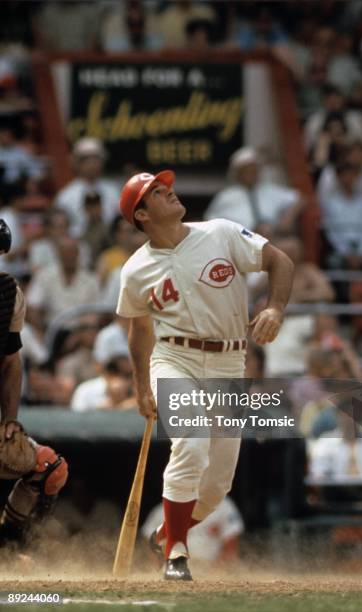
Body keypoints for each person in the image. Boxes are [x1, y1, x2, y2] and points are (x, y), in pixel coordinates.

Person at [116, 171, 294, 581]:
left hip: (230, 364)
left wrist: (276, 308)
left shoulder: (221, 232)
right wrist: (142, 387)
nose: (169, 191)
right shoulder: (135, 269)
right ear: (141, 214)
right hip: (173, 358)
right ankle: (176, 553)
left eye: (165, 186)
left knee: (216, 487)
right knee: (192, 443)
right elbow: (139, 331)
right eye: (156, 193)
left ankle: (167, 531)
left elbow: (278, 261)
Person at [0, 218, 68, 546]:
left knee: (50, 467)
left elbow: (11, 361)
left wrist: (10, 419)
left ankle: (11, 547)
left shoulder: (8, 293)